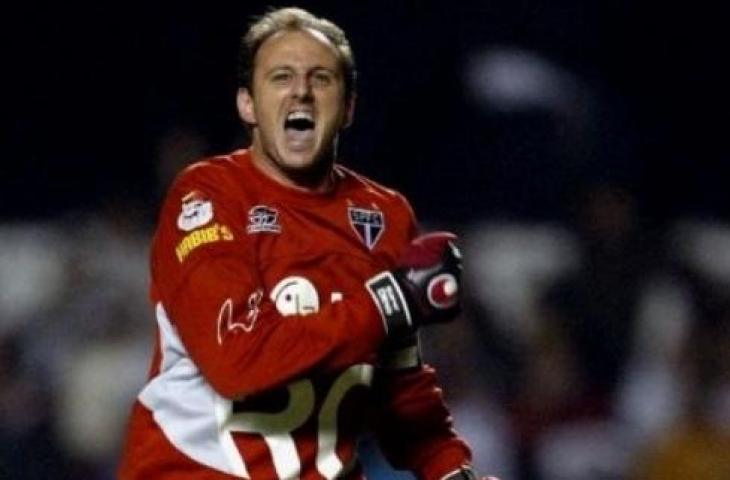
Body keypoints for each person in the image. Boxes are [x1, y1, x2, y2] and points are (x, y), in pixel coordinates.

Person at [119, 7, 495, 480]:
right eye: (281, 77)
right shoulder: (208, 195)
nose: (301, 91)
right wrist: (391, 300)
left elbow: (398, 389)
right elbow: (237, 361)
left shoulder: (385, 216)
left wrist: (449, 469)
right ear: (247, 105)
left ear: (349, 106)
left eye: (321, 78)